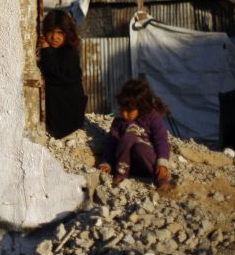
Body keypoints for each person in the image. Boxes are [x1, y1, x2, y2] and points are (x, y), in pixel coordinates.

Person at [99, 78, 172, 191]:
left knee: (141, 148)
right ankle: (120, 175)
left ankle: (161, 179)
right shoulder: (119, 122)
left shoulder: (153, 118)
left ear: (141, 107)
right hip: (125, 165)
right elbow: (111, 143)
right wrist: (106, 163)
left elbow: (161, 141)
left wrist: (162, 164)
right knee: (128, 137)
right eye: (122, 109)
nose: (124, 113)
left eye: (129, 110)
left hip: (146, 162)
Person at [38, 10, 87, 139]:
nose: (54, 37)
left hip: (69, 114)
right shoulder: (53, 50)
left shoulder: (69, 52)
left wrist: (47, 51)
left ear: (67, 34)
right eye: (50, 32)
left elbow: (56, 76)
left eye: (60, 33)